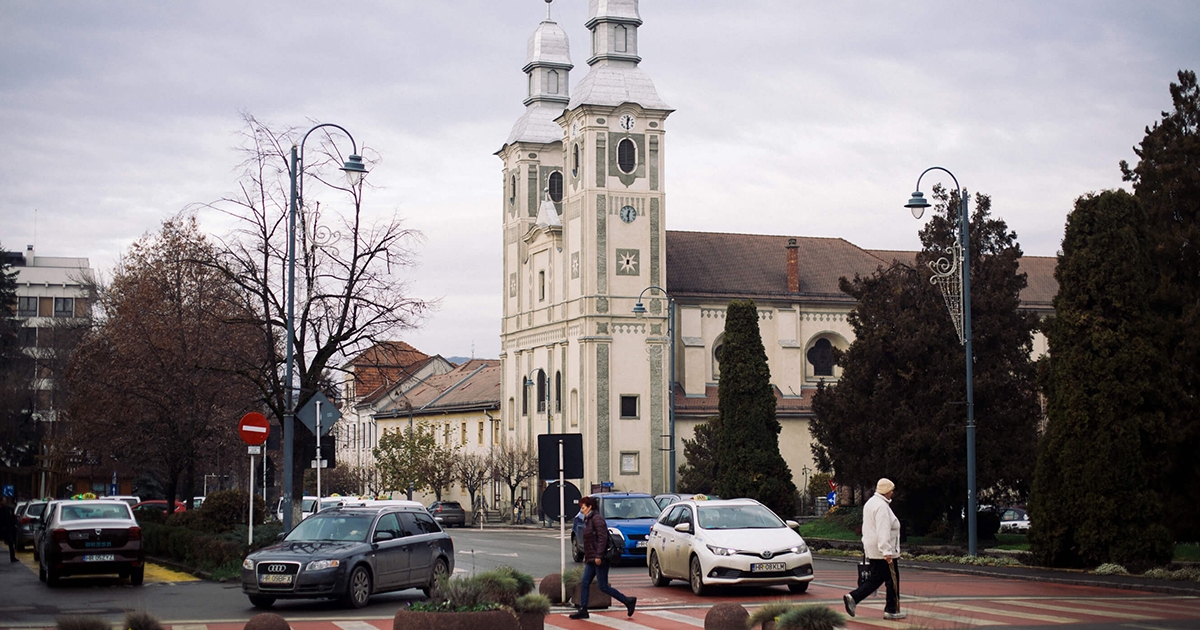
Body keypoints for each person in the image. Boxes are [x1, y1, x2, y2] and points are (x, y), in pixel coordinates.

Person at [844, 478, 905, 621]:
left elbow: (868, 528)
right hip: (883, 551)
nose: (892, 493)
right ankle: (891, 610)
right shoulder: (882, 507)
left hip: (873, 549)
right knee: (892, 580)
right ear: (887, 491)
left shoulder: (870, 503)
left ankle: (853, 597)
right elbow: (883, 530)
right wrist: (887, 551)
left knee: (877, 578)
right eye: (891, 490)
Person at [569, 496, 636, 620]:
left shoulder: (597, 519)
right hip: (592, 558)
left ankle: (628, 601)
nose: (582, 510)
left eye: (583, 507)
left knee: (603, 586)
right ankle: (583, 609)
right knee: (584, 582)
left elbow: (602, 538)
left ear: (590, 507)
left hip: (599, 558)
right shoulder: (589, 519)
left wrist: (598, 556)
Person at [0, 497, 17, 562]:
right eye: (4, 501)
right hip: (2, 528)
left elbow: (10, 518)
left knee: (11, 543)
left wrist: (13, 525)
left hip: (7, 529)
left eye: (5, 501)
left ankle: (12, 557)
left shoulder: (7, 509)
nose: (5, 502)